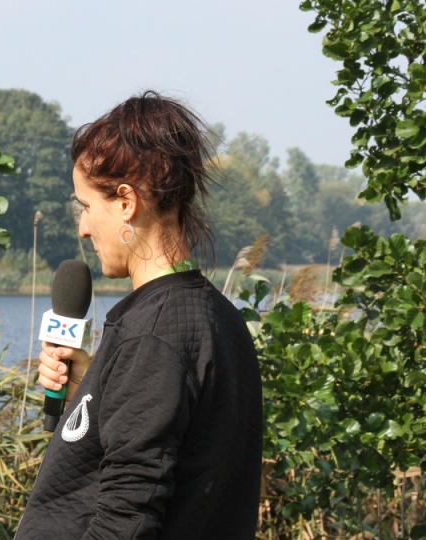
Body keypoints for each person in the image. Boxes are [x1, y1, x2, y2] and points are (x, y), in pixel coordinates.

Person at [16, 91, 263, 539]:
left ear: (126, 202)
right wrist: (91, 394)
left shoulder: (153, 335)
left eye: (87, 206)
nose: (83, 227)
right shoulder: (221, 318)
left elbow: (126, 518)